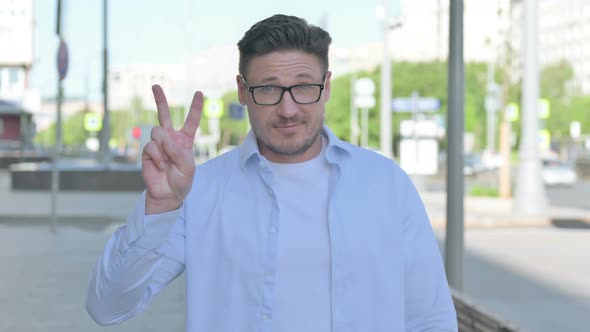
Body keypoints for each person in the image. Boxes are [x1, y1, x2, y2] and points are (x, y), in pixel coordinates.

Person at [86, 14, 457, 332]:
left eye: (304, 87)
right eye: (268, 89)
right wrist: (160, 206)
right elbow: (107, 306)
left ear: (326, 86)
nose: (289, 108)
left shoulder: (385, 184)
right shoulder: (199, 190)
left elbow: (431, 318)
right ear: (242, 92)